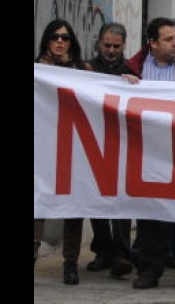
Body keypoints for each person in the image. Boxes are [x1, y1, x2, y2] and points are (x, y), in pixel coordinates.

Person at [124, 16, 175, 289]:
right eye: (169, 39)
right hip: (144, 150)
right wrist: (122, 84)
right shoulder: (132, 70)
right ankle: (150, 269)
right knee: (149, 213)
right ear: (152, 43)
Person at [34, 19, 93, 285]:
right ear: (46, 40)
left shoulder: (84, 70)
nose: (60, 41)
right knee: (38, 203)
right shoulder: (38, 71)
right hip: (43, 146)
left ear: (72, 42)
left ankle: (70, 263)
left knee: (73, 204)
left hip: (74, 146)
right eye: (55, 37)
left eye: (65, 37)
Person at [84, 22, 138, 279]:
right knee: (95, 198)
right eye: (107, 45)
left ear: (124, 46)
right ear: (99, 43)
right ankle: (104, 249)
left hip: (121, 142)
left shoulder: (132, 70)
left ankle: (122, 252)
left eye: (117, 46)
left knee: (121, 200)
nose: (112, 50)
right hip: (92, 141)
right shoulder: (86, 69)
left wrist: (135, 83)